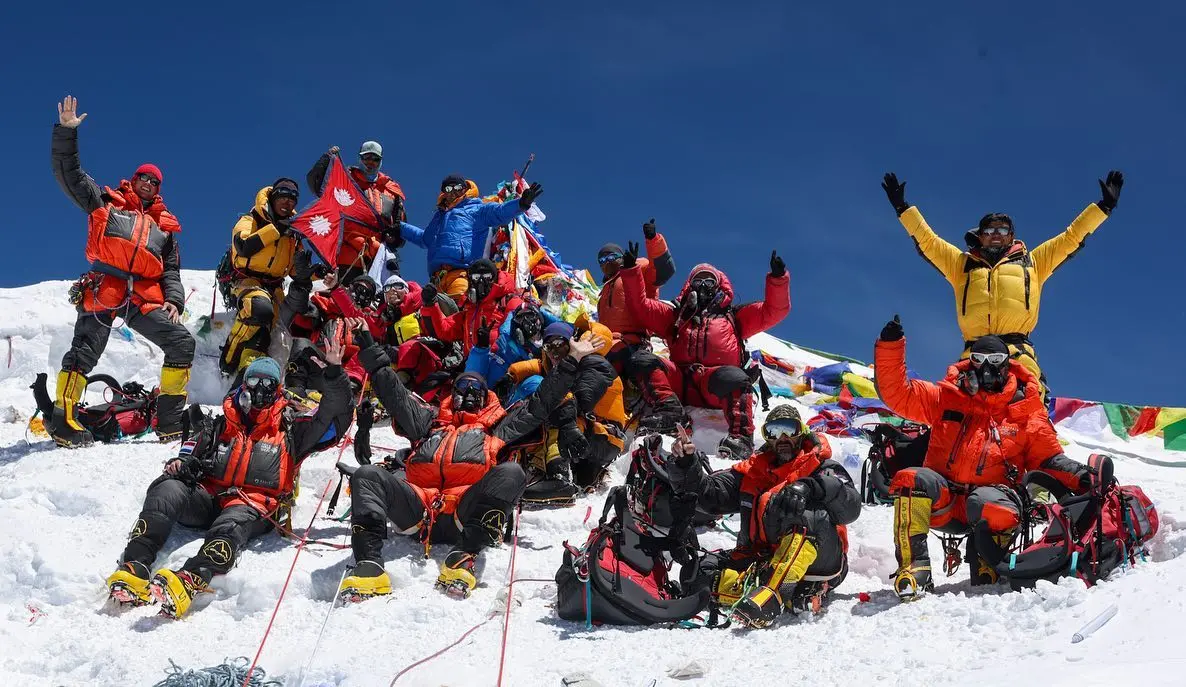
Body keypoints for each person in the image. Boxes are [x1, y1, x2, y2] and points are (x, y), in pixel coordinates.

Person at [338, 331, 597, 601]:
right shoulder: (428, 422)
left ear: (487, 397)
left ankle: (463, 555)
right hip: (418, 511)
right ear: (453, 395)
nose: (469, 394)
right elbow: (394, 393)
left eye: (476, 390)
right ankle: (369, 565)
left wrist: (572, 360)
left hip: (467, 514)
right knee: (368, 475)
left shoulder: (499, 426)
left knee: (511, 473)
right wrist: (369, 346)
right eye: (462, 389)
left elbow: (542, 401)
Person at [105, 345, 353, 618]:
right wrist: (183, 465)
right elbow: (189, 453)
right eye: (254, 382)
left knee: (231, 524)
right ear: (244, 386)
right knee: (167, 488)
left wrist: (334, 373)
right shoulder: (223, 423)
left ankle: (191, 577)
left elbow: (336, 417)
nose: (260, 389)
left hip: (253, 504)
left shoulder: (292, 429)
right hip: (211, 497)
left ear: (277, 389)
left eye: (268, 384)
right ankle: (134, 566)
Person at [873, 315, 1091, 601]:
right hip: (947, 501)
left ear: (1007, 364)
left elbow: (1049, 459)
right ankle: (915, 569)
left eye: (995, 358)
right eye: (978, 358)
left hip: (993, 503)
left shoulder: (1026, 410)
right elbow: (898, 393)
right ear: (970, 362)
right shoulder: (946, 397)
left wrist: (1083, 476)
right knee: (911, 479)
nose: (987, 367)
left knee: (985, 501)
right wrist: (891, 348)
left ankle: (989, 564)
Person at [880, 170, 1124, 395]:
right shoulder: (961, 265)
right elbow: (928, 242)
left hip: (1018, 353)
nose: (995, 235)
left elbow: (1071, 237)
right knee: (958, 410)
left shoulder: (1034, 262)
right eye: (989, 231)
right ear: (980, 237)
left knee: (1027, 406)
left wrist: (1103, 207)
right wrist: (903, 208)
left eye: (1002, 230)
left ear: (1012, 236)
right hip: (973, 355)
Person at [48, 96, 194, 447]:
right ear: (134, 179)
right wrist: (67, 133)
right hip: (104, 286)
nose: (147, 182)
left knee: (181, 342)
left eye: (154, 181)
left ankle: (170, 422)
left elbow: (170, 270)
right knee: (84, 352)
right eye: (143, 177)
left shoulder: (166, 229)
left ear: (159, 189)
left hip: (142, 296)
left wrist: (174, 298)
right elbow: (70, 175)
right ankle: (63, 420)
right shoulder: (107, 202)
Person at [666, 404, 860, 627]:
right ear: (767, 437)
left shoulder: (823, 467)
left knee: (811, 515)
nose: (783, 437)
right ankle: (791, 596)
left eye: (790, 429)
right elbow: (709, 496)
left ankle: (772, 595)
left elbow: (851, 507)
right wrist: (686, 464)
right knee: (698, 573)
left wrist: (813, 487)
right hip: (763, 558)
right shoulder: (752, 472)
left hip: (819, 560)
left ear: (802, 433)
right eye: (775, 431)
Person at [623, 250, 791, 458]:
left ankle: (740, 437)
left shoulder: (734, 317)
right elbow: (640, 307)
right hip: (681, 382)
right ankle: (668, 410)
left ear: (719, 285)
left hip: (715, 384)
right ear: (689, 286)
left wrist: (778, 279)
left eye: (709, 280)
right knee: (642, 360)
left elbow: (774, 311)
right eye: (698, 280)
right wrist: (631, 272)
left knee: (736, 376)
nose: (703, 285)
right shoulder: (676, 316)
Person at [506, 318, 625, 504]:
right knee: (543, 403)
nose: (554, 353)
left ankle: (559, 478)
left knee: (558, 404)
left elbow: (582, 401)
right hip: (586, 433)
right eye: (548, 347)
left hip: (606, 437)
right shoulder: (564, 364)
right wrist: (512, 374)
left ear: (574, 343)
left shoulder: (594, 363)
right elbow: (538, 365)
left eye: (559, 345)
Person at [401, 175, 542, 302]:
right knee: (435, 319)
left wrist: (520, 204)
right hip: (436, 279)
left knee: (458, 311)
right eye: (448, 188)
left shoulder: (475, 209)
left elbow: (498, 213)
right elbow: (424, 239)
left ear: (465, 189)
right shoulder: (439, 217)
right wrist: (399, 227)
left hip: (460, 274)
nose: (453, 191)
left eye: (458, 187)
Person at [219, 179, 303, 376]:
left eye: (292, 200)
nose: (287, 203)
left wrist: (318, 271)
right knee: (260, 309)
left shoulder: (293, 233)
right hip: (246, 281)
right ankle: (229, 357)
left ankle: (252, 369)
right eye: (282, 197)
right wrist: (277, 229)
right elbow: (243, 246)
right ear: (272, 198)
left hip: (275, 289)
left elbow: (294, 270)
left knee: (275, 330)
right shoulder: (251, 220)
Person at [307, 142, 405, 282]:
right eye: (366, 158)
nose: (370, 162)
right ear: (360, 159)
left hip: (380, 257)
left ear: (381, 161)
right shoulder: (345, 178)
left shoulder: (391, 189)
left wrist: (394, 237)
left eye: (375, 159)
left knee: (384, 299)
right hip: (347, 251)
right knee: (344, 297)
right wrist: (326, 160)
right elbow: (318, 185)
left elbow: (400, 225)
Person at [596, 218, 675, 374]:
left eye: (611, 257)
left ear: (622, 257)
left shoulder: (638, 268)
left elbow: (663, 271)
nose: (607, 263)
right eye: (602, 260)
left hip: (634, 344)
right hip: (609, 346)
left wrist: (653, 240)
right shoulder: (604, 289)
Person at [419, 259, 524, 355]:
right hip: (472, 368)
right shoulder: (468, 312)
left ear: (495, 278)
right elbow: (443, 330)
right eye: (476, 277)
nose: (481, 282)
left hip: (501, 365)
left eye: (487, 277)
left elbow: (518, 336)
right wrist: (430, 305)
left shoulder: (508, 302)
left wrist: (490, 347)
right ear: (470, 282)